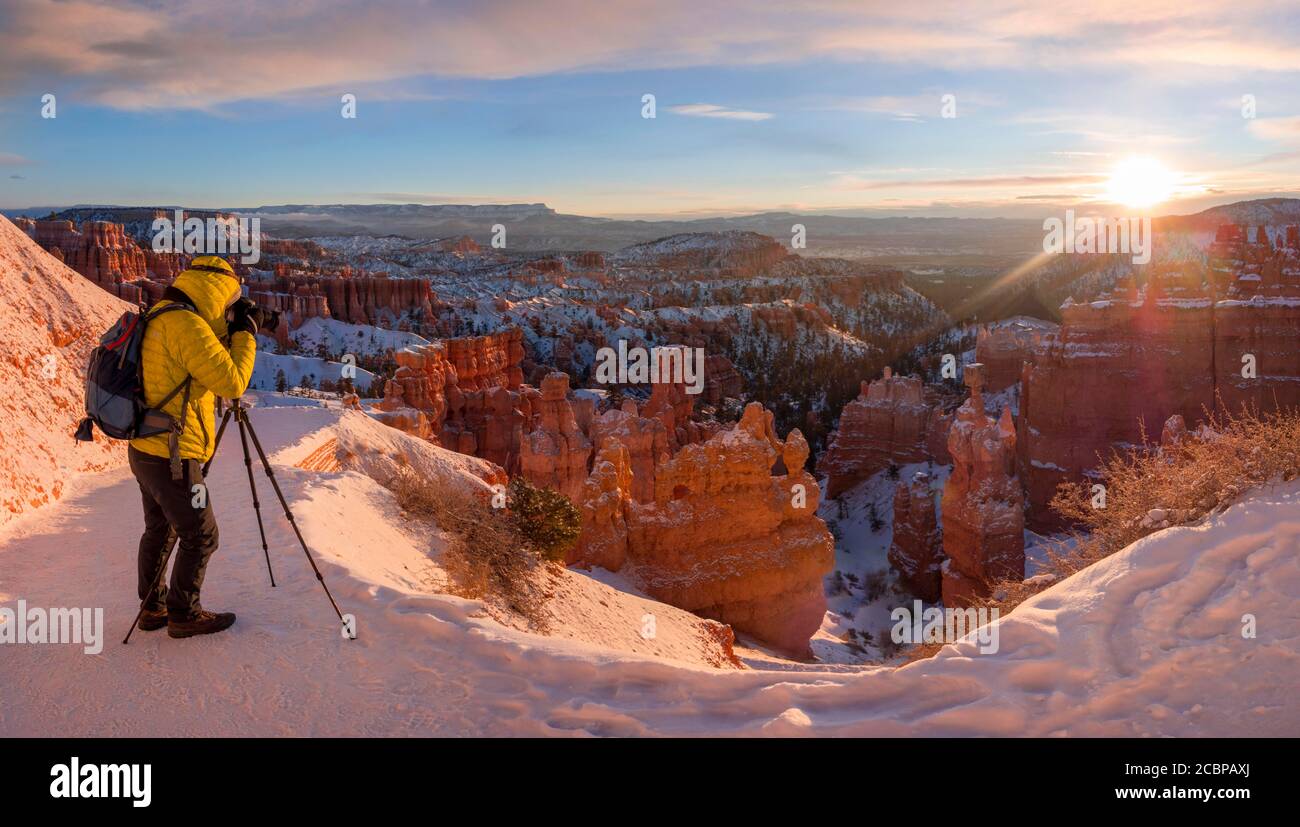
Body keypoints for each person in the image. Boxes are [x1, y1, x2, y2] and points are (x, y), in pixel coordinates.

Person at [129, 255, 265, 638]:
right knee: (202, 534)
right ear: (218, 294)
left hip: (146, 449)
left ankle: (151, 609)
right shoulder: (187, 325)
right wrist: (246, 333)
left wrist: (231, 329)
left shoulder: (163, 314)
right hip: (175, 457)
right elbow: (233, 382)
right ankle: (183, 613)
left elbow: (196, 363)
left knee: (161, 530)